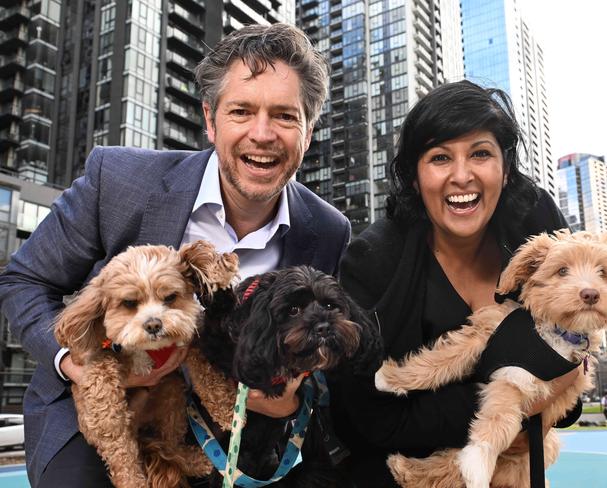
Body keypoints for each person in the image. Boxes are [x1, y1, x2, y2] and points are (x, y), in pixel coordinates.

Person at [0, 23, 350, 487]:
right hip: (102, 410)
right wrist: (74, 365)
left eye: (285, 116)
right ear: (210, 119)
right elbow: (23, 281)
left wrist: (288, 393)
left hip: (239, 423)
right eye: (241, 111)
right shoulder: (119, 180)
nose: (262, 134)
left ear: (309, 130)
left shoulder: (328, 229)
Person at [329, 80, 581, 487]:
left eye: (481, 153)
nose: (461, 176)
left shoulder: (537, 223)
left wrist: (546, 392)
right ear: (414, 176)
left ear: (505, 167)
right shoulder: (372, 260)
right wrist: (515, 409)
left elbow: (572, 385)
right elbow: (366, 422)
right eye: (440, 157)